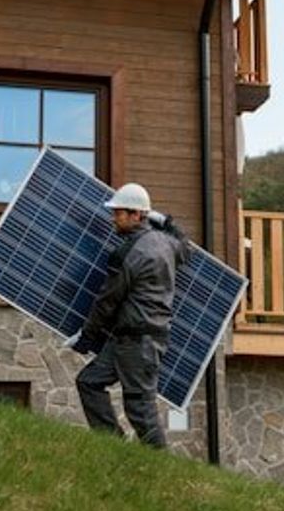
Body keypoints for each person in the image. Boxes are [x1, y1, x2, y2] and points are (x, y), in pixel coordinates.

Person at [69, 182, 187, 448]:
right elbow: (185, 247)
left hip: (140, 342)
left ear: (136, 215)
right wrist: (167, 222)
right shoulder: (167, 244)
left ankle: (162, 468)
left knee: (140, 411)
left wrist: (87, 336)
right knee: (89, 382)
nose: (114, 219)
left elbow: (108, 300)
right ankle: (113, 445)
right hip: (128, 340)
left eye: (119, 213)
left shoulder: (128, 254)